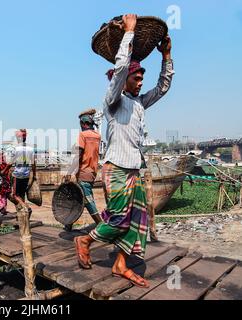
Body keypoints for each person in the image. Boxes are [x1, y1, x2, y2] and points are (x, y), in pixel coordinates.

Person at [74, 14, 174, 289]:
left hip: (133, 170)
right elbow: (119, 71)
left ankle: (121, 263)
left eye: (142, 77)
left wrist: (166, 56)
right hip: (115, 169)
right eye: (137, 77)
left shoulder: (140, 103)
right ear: (125, 81)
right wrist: (129, 34)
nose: (141, 81)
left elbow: (163, 87)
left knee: (135, 220)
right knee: (118, 220)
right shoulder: (112, 103)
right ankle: (86, 239)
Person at [64, 110, 102, 231]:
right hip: (92, 171)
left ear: (83, 123)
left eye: (81, 124)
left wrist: (69, 172)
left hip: (83, 172)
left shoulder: (83, 135)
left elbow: (79, 155)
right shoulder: (97, 136)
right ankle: (68, 224)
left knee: (88, 201)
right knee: (78, 197)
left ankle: (101, 226)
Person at [3, 129, 36, 217]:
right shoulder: (31, 149)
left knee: (14, 195)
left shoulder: (16, 149)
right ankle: (22, 215)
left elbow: (10, 163)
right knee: (21, 195)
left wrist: (4, 171)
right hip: (26, 175)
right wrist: (34, 175)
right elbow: (33, 164)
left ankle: (26, 207)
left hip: (17, 175)